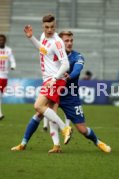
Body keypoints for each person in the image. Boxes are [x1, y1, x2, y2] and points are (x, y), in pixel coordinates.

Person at [11, 14, 73, 151]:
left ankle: (65, 128)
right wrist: (31, 38)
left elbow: (66, 64)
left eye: (52, 27)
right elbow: (43, 50)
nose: (50, 30)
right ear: (42, 26)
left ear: (55, 26)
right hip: (49, 79)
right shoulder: (43, 37)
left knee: (38, 106)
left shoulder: (57, 42)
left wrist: (55, 79)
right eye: (47, 27)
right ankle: (56, 146)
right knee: (50, 113)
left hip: (54, 80)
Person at [44, 31, 111, 153]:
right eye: (66, 41)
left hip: (70, 96)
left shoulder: (77, 57)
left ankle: (98, 142)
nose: (69, 43)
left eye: (71, 40)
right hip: (56, 91)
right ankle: (53, 145)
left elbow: (77, 69)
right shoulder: (54, 55)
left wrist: (69, 76)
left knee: (82, 130)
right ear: (60, 42)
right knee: (46, 114)